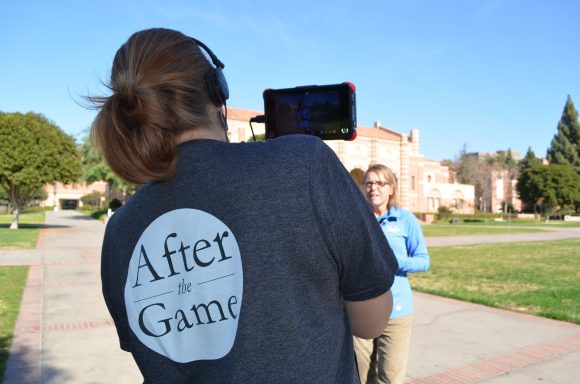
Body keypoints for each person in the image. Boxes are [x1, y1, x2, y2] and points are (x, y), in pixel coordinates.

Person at [90, 28, 399, 383]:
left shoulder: (121, 229)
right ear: (216, 89)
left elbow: (153, 351)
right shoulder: (305, 164)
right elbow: (372, 321)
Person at [353, 164, 430, 384]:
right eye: (368, 183)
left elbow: (424, 261)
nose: (373, 188)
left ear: (391, 188)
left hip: (397, 312)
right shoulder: (356, 220)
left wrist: (393, 261)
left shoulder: (406, 220)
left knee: (390, 378)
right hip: (361, 310)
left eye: (379, 183)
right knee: (359, 376)